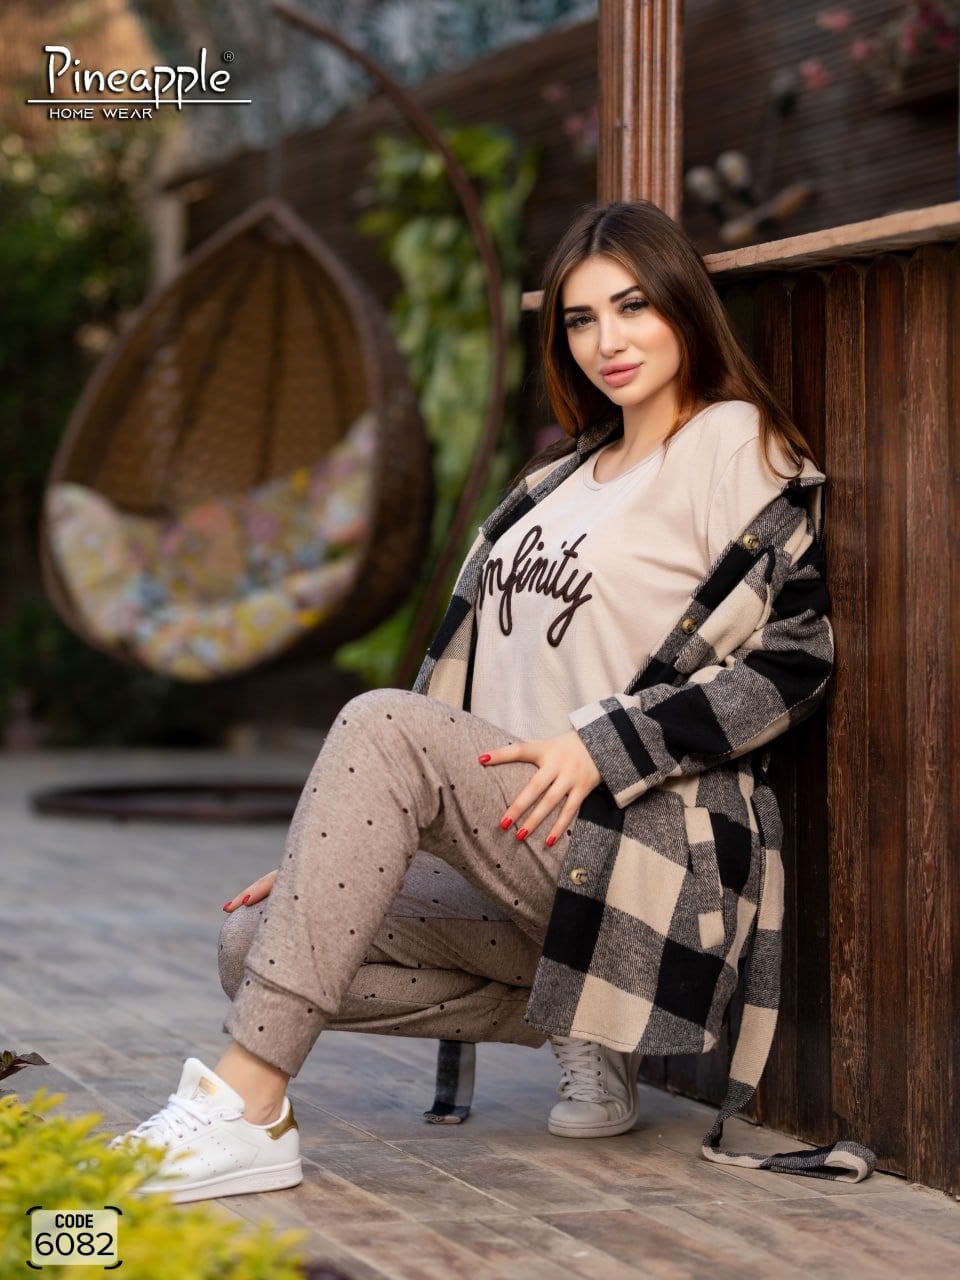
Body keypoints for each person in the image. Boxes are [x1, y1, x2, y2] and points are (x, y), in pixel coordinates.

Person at [110, 200, 877, 1202]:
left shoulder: (731, 441)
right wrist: (322, 857)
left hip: (639, 835)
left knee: (379, 720)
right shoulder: (556, 477)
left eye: (634, 306)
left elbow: (795, 660)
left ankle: (249, 1108)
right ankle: (587, 1020)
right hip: (515, 838)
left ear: (685, 306)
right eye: (580, 318)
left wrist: (608, 743)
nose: (608, 340)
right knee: (251, 942)